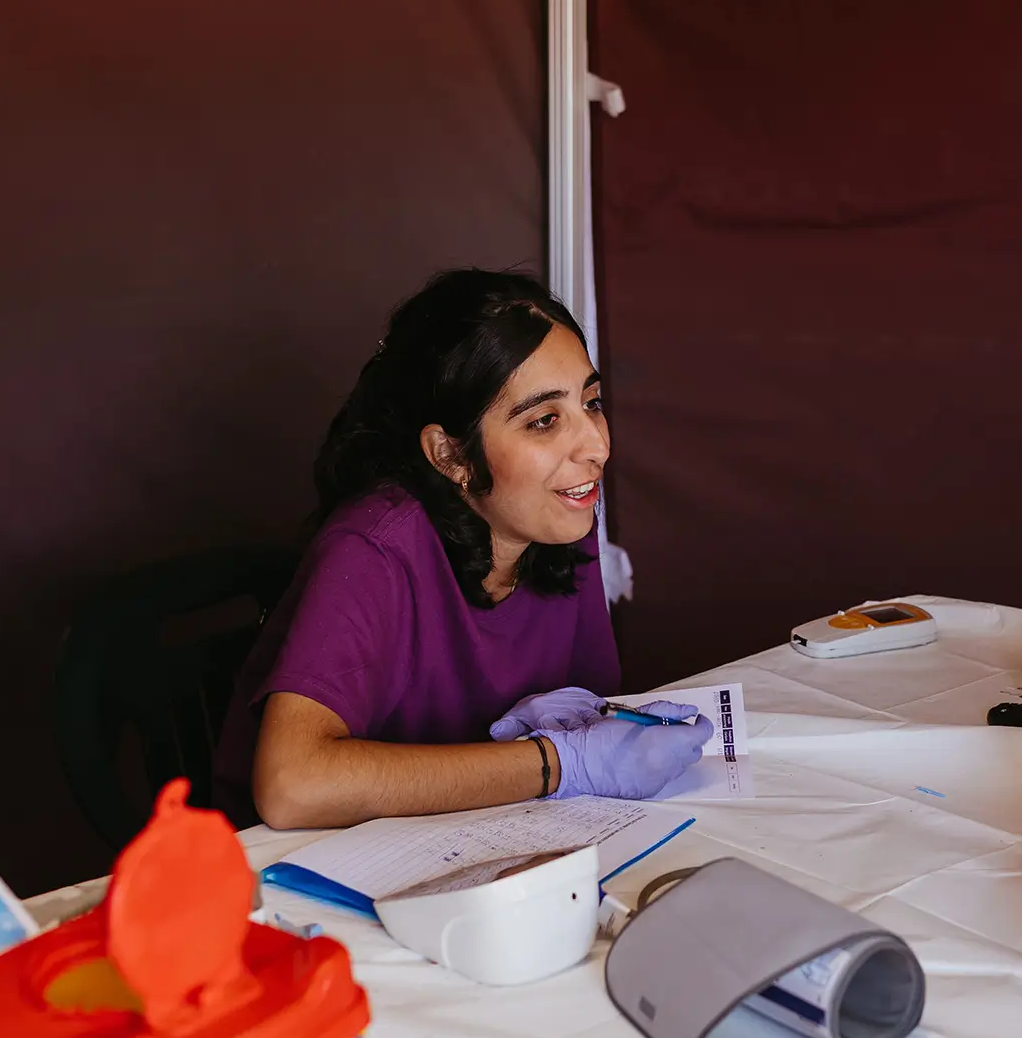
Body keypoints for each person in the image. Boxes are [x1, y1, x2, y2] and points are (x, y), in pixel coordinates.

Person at [212, 270, 712, 830]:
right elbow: (292, 787)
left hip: (478, 836)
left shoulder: (562, 521)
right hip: (295, 863)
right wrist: (556, 763)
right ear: (452, 456)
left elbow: (594, 709)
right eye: (545, 421)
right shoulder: (372, 551)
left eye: (591, 403)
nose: (597, 445)